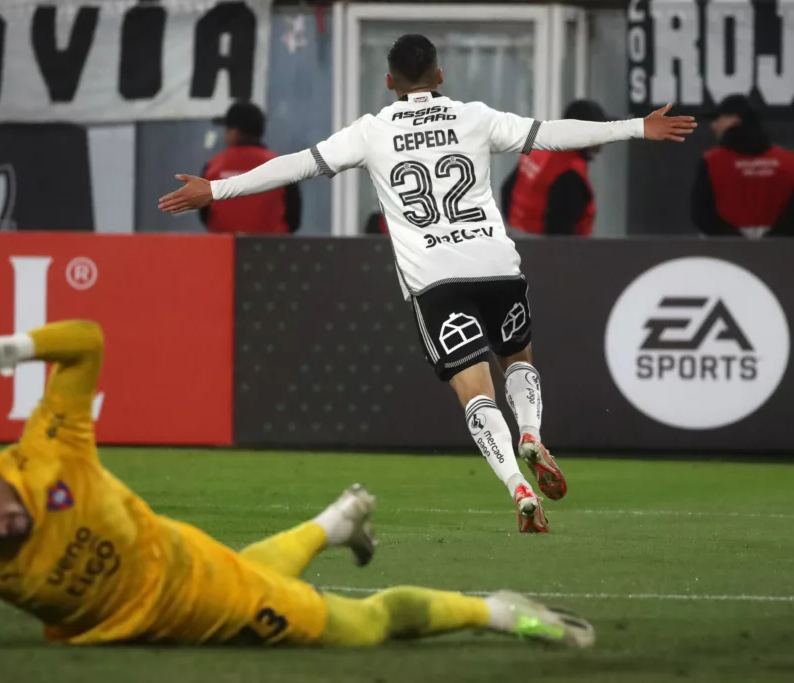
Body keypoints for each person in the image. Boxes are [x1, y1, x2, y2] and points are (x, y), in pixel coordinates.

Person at [159, 34, 696, 533]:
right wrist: (634, 127)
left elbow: (298, 166)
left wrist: (217, 190)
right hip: (496, 267)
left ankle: (516, 489)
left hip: (435, 281)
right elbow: (551, 134)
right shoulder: (475, 117)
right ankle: (531, 432)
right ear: (440, 73)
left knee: (473, 389)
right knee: (520, 359)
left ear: (388, 81)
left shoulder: (370, 131)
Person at [0, 314, 595, 650]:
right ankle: (336, 523)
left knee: (361, 627)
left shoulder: (45, 453)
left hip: (205, 597)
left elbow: (87, 340)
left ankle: (498, 610)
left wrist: (2, 351)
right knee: (246, 566)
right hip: (172, 576)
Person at [500, 100, 611, 238]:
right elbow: (560, 234)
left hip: (516, 239)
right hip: (546, 252)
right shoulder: (570, 174)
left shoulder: (539, 150)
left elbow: (507, 190)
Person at [691, 94, 794, 239]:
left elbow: (702, 215)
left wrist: (738, 243)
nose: (713, 126)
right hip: (782, 253)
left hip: (721, 252)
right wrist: (772, 240)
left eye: (718, 119)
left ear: (734, 119)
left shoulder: (712, 162)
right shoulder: (788, 162)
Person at [199, 102, 301, 235]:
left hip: (224, 251)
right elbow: (293, 219)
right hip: (272, 251)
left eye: (226, 129)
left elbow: (204, 214)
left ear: (234, 132)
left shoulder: (213, 168)